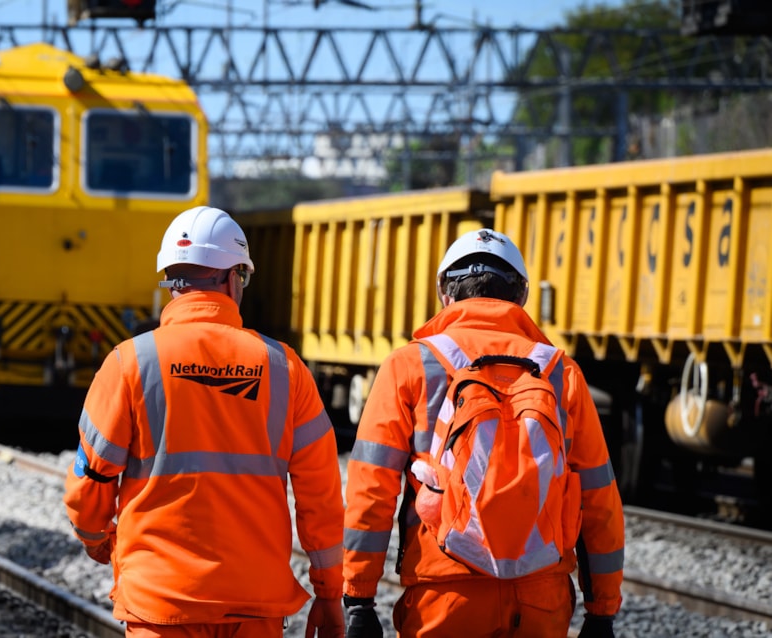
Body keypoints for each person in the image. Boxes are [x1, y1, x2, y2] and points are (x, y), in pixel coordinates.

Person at [63, 205, 346, 638]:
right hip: (255, 602)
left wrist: (96, 537)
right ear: (235, 278)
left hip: (160, 600)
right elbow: (321, 495)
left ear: (171, 281)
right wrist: (328, 590)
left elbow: (90, 479)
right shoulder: (284, 368)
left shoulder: (129, 363)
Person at [342, 228, 624, 638]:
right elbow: (600, 501)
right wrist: (602, 612)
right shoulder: (563, 374)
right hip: (540, 597)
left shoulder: (409, 366)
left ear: (445, 293)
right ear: (521, 297)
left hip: (444, 593)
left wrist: (358, 598)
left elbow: (371, 490)